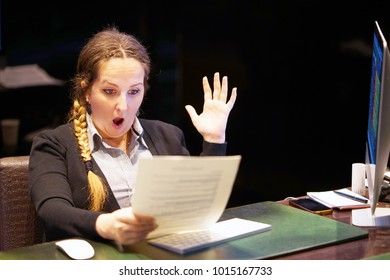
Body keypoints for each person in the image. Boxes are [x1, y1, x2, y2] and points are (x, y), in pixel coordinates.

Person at [28, 26, 237, 246]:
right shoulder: (53, 144)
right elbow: (53, 211)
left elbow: (197, 207)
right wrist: (106, 225)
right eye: (110, 91)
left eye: (134, 91)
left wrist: (214, 140)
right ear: (87, 91)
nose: (123, 106)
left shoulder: (168, 135)